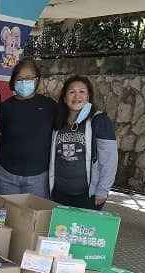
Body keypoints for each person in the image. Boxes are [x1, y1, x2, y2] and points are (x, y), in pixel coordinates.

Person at [0, 59, 56, 198]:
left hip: (38, 179)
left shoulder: (49, 105)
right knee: (5, 218)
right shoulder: (5, 106)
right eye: (20, 78)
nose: (25, 82)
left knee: (35, 218)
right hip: (4, 175)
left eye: (29, 78)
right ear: (14, 81)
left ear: (37, 80)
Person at [49, 76, 118, 209]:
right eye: (71, 92)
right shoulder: (58, 121)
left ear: (88, 96)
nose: (77, 96)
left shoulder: (99, 121)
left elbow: (110, 159)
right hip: (59, 193)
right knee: (59, 229)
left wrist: (103, 190)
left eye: (82, 91)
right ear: (64, 98)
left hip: (87, 195)